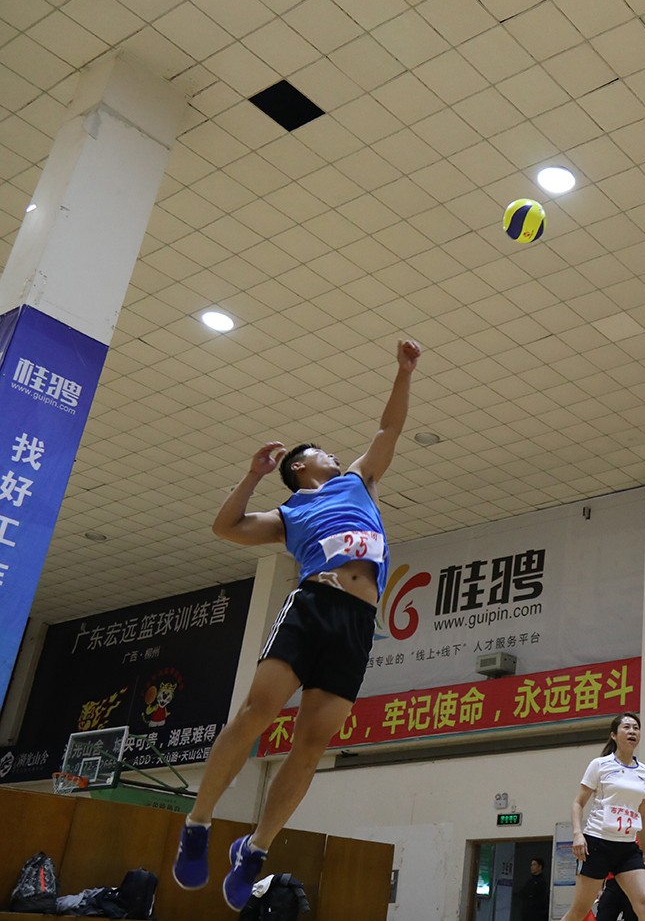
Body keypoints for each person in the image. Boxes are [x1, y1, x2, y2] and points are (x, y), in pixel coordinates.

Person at [172, 339, 422, 910]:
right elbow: (226, 527)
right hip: (312, 606)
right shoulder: (288, 514)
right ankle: (198, 823)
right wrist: (251, 475)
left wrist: (404, 373)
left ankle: (255, 849)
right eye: (323, 451)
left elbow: (389, 429)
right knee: (257, 713)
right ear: (299, 466)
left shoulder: (359, 481)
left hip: (357, 623)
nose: (336, 454)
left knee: (312, 745)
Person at [560, 713, 645, 921]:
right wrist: (577, 834)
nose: (632, 731)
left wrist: (644, 852)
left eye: (636, 728)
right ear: (613, 735)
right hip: (597, 844)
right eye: (626, 727)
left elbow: (641, 813)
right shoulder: (600, 765)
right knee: (580, 910)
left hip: (627, 848)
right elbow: (578, 803)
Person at [520, 857, 549, 921]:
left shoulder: (543, 882)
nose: (532, 867)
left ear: (540, 867)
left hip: (537, 915)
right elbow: (522, 893)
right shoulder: (529, 881)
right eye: (531, 865)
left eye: (534, 865)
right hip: (527, 914)